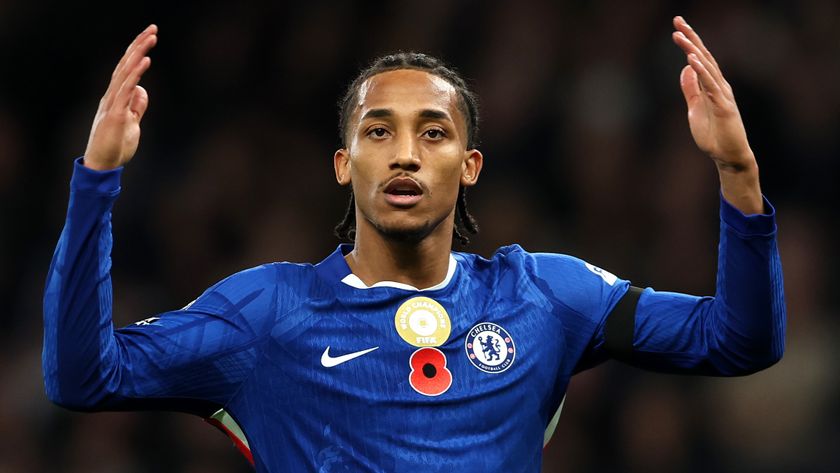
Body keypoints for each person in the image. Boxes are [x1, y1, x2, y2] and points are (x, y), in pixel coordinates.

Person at [43, 16, 785, 472]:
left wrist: (736, 170)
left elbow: (740, 340)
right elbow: (83, 377)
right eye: (378, 131)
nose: (404, 153)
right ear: (345, 165)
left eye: (432, 132)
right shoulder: (267, 313)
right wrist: (97, 181)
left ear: (469, 167)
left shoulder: (543, 297)